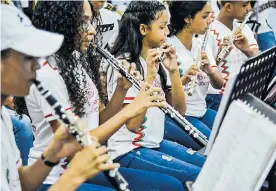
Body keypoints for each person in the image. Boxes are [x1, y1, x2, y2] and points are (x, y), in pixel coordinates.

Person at [14, 1, 186, 190]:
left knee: (169, 184)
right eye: (84, 22)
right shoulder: (48, 73)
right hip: (56, 178)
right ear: (62, 23)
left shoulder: (75, 60)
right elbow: (73, 146)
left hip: (85, 168)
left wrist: (121, 90)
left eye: (91, 22)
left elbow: (99, 122)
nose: (92, 30)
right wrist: (131, 110)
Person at [1, 4, 118, 191]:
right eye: (27, 58)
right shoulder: (48, 75)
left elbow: (19, 185)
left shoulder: (4, 118)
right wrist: (74, 176)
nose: (38, 66)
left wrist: (52, 154)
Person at [107, 0, 206, 185]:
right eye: (162, 27)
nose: (167, 32)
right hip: (128, 149)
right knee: (197, 177)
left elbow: (180, 112)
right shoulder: (125, 64)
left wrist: (174, 70)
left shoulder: (154, 57)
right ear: (143, 29)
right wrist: (150, 77)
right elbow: (133, 126)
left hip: (151, 142)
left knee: (208, 165)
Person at [166, 0, 224, 149]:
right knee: (215, 145)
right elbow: (167, 97)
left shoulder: (200, 45)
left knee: (232, 133)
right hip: (182, 115)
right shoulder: (168, 47)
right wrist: (183, 80)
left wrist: (210, 72)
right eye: (204, 16)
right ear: (188, 18)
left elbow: (219, 84)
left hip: (201, 109)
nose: (209, 21)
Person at [205, 0, 260, 111]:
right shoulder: (208, 31)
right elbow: (206, 69)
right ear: (229, 6)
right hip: (218, 95)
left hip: (242, 91)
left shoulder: (244, 28)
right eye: (244, 5)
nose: (249, 8)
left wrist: (247, 50)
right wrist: (221, 55)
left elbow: (258, 59)